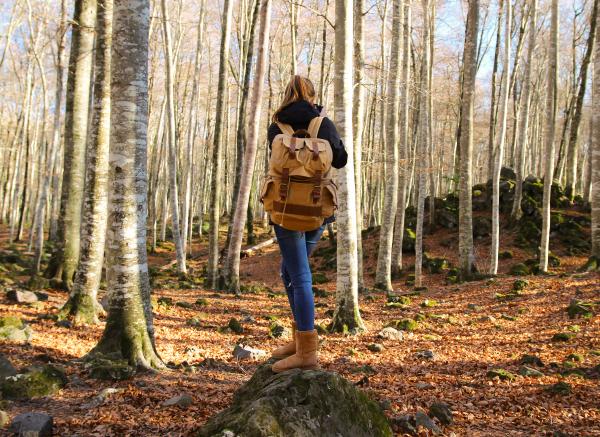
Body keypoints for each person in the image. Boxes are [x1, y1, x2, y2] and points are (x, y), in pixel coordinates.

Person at [266, 76, 347, 373]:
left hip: (285, 210)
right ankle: (302, 340)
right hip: (317, 211)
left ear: (286, 95)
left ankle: (306, 350)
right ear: (312, 96)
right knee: (291, 271)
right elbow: (340, 160)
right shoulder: (322, 124)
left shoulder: (277, 127)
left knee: (297, 274)